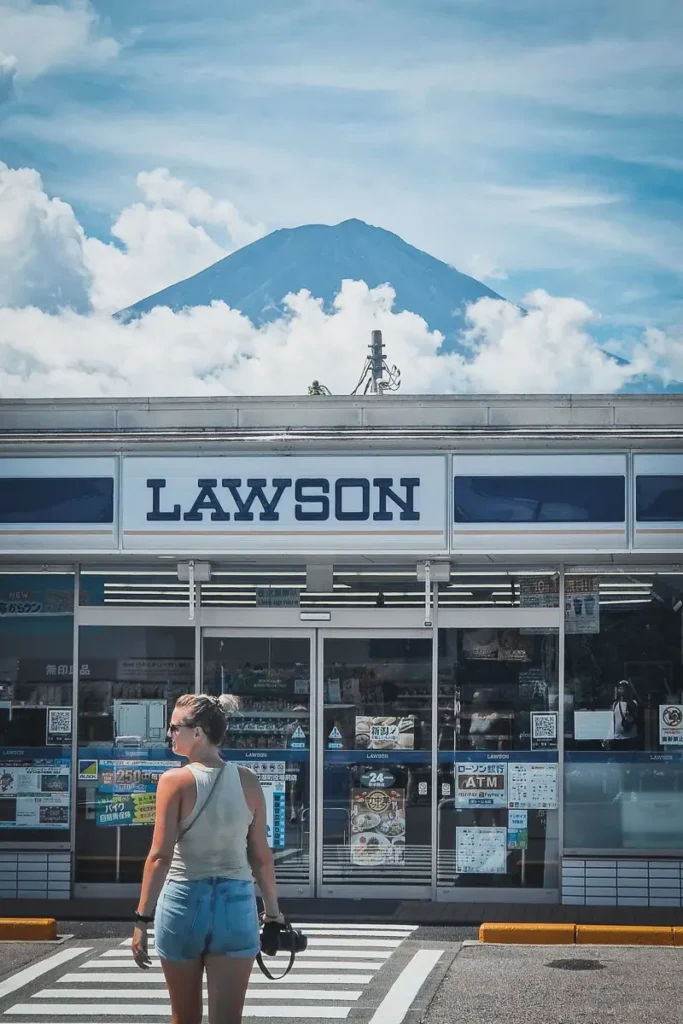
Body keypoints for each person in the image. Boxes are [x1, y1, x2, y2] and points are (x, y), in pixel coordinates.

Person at [131, 693, 285, 1024]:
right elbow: (261, 857)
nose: (169, 734)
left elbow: (159, 857)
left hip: (184, 900)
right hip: (236, 904)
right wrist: (273, 914)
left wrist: (142, 920)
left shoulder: (174, 781)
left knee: (184, 1016)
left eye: (175, 727)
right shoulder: (249, 781)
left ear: (198, 732)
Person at [603, 679, 640, 750]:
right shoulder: (615, 704)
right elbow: (613, 722)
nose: (620, 690)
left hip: (630, 737)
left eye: (622, 688)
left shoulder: (633, 703)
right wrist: (608, 737)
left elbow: (636, 716)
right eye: (619, 688)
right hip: (618, 737)